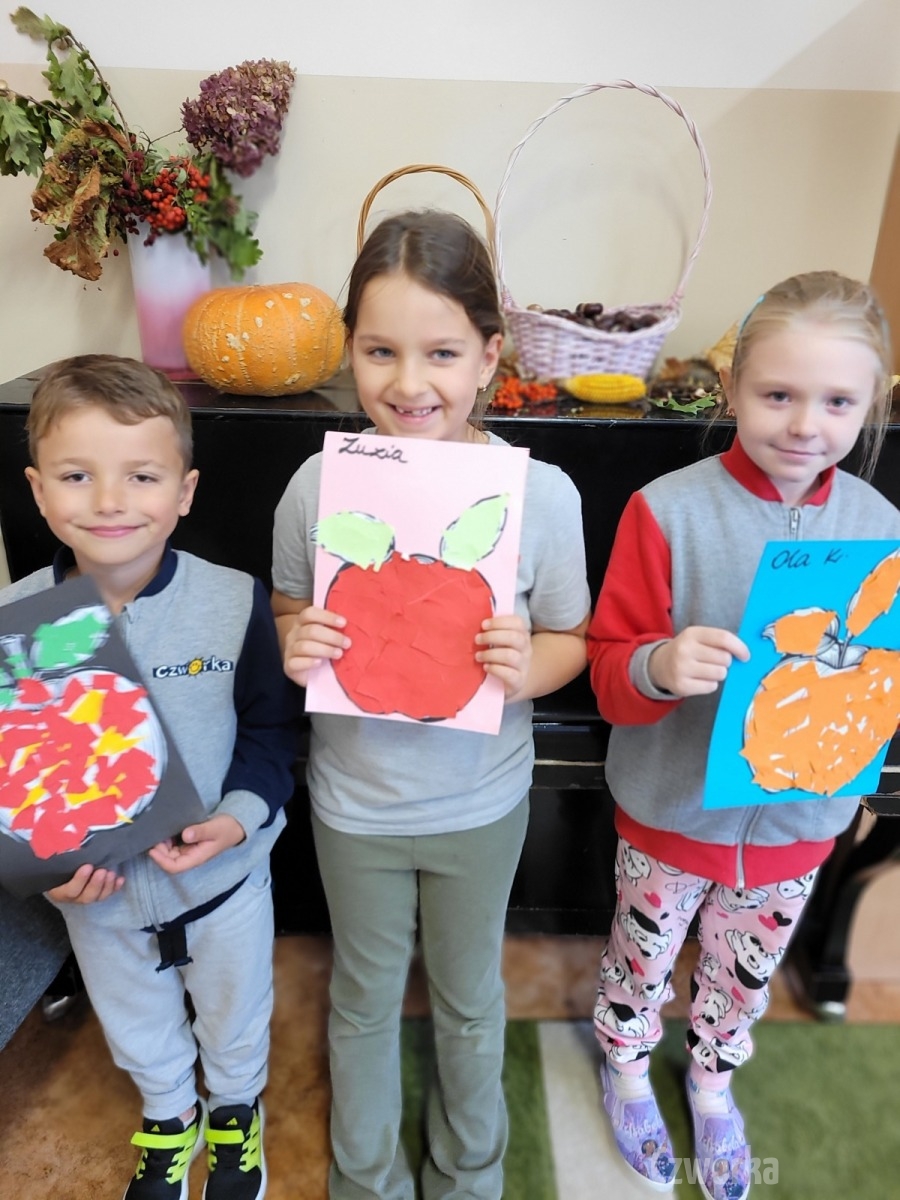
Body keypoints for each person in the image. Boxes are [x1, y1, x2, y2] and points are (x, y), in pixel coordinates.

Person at [271, 210, 591, 1199]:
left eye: (442, 352)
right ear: (350, 351)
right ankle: (365, 1178)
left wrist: (525, 668)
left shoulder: (543, 497)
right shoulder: (317, 488)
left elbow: (574, 637)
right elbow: (286, 605)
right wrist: (295, 638)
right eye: (380, 351)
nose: (410, 383)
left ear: (490, 356)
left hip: (480, 806)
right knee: (362, 997)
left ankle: (468, 1172)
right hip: (354, 807)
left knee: (468, 996)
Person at [587, 270, 900, 1200]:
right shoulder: (666, 510)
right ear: (731, 389)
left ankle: (713, 1081)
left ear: (872, 405)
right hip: (671, 813)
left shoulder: (881, 525)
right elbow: (609, 671)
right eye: (778, 394)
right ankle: (627, 1068)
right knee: (641, 959)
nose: (805, 425)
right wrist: (658, 664)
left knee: (744, 971)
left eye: (838, 402)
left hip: (799, 820)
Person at [0, 355, 297, 1200]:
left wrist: (237, 818)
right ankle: (169, 1116)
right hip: (97, 901)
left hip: (223, 882)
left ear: (184, 490)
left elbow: (271, 733)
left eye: (141, 475)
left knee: (235, 1013)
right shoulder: (16, 625)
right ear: (38, 491)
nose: (109, 501)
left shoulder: (233, 600)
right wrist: (40, 870)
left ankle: (235, 1111)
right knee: (136, 1023)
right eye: (76, 476)